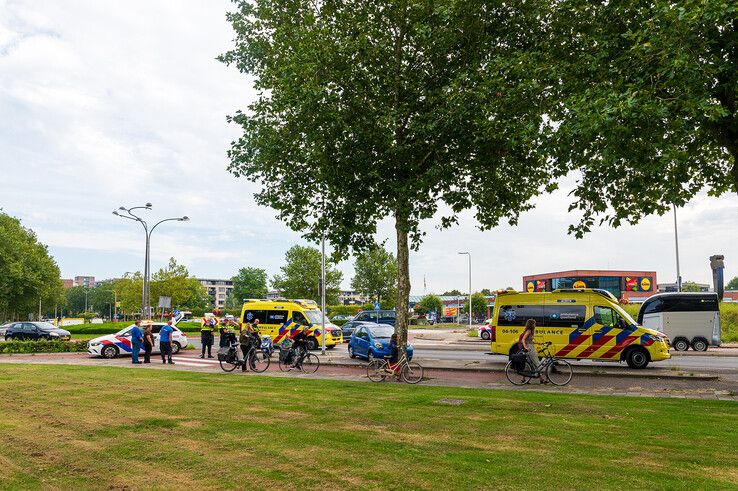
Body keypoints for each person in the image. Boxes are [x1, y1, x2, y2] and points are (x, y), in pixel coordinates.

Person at [519, 318, 546, 384]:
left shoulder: (530, 331)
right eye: (534, 324)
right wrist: (526, 347)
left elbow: (530, 341)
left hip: (530, 347)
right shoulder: (529, 331)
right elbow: (523, 340)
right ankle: (541, 378)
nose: (535, 325)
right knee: (537, 363)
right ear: (531, 324)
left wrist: (538, 343)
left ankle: (524, 379)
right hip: (530, 349)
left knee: (529, 364)